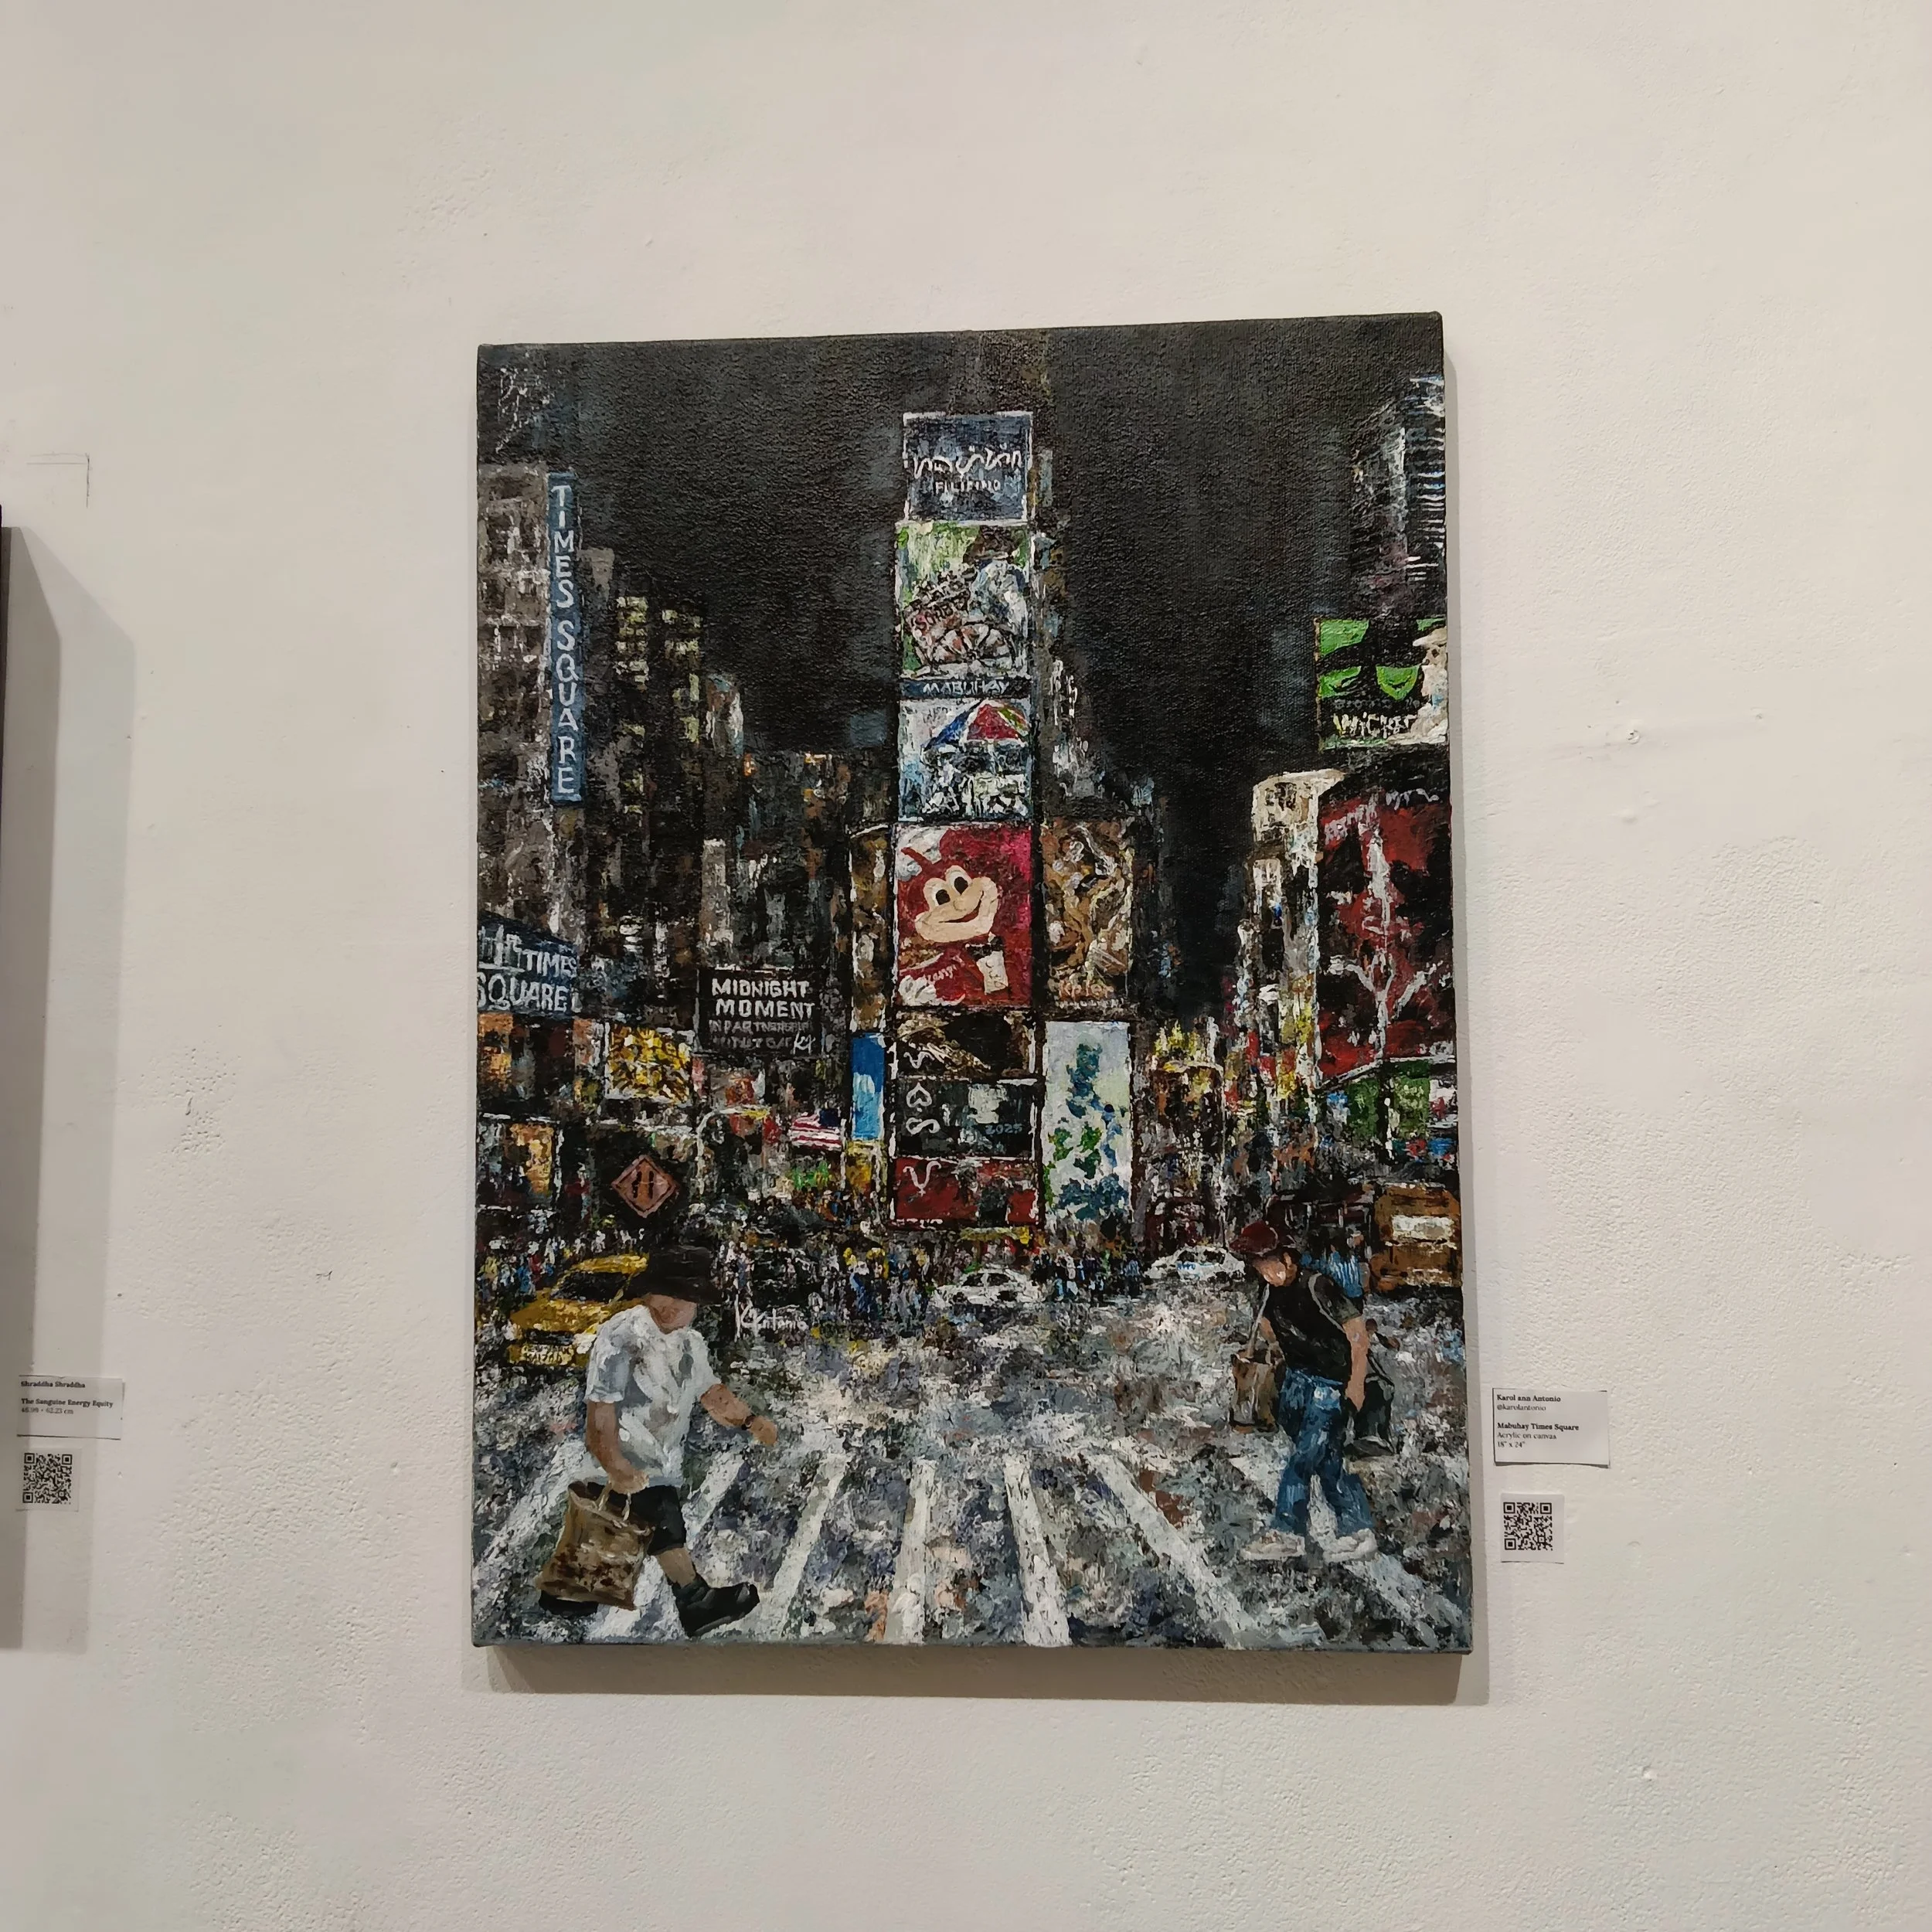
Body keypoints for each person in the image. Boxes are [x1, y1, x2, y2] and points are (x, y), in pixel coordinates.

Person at [577, 1244, 781, 1638]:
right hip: (622, 1461)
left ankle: (568, 1599)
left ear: (697, 1304)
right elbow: (601, 1408)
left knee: (605, 1553)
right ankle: (695, 1601)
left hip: (660, 1463)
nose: (672, 1305)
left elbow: (713, 1395)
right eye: (665, 1293)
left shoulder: (691, 1344)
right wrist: (614, 1463)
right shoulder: (623, 1335)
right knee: (662, 1525)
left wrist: (750, 1421)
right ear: (648, 1292)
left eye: (685, 1298)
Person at [1233, 1206, 1377, 1565]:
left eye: (1269, 1264)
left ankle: (1287, 1531)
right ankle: (1358, 1529)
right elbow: (1271, 1334)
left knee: (1302, 1459)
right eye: (1259, 1267)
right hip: (1297, 1384)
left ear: (1287, 1257)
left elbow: (1357, 1334)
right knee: (1327, 1460)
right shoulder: (1268, 1293)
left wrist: (1356, 1385)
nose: (1266, 1273)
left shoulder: (1318, 1284)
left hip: (1329, 1386)